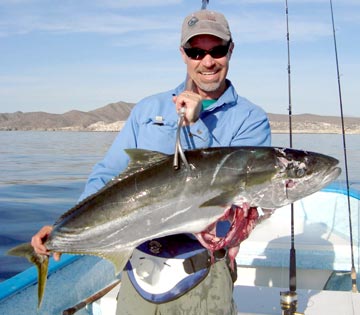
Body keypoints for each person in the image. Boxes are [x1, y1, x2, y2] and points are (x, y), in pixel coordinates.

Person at [31, 9, 271, 315]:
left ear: (231, 50)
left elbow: (227, 190)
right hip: (139, 270)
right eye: (196, 51)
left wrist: (197, 126)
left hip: (204, 272)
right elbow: (108, 176)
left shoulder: (250, 120)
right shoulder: (148, 109)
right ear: (183, 54)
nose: (207, 61)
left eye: (217, 50)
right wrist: (66, 225)